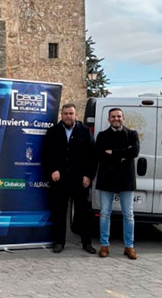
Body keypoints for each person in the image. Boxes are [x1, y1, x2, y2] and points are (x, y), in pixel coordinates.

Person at [41, 103, 97, 254]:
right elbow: (47, 154)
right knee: (59, 212)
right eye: (65, 113)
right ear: (61, 114)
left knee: (83, 213)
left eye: (71, 113)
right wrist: (52, 170)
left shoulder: (84, 131)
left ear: (75, 115)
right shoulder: (53, 131)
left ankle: (87, 243)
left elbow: (92, 155)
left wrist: (88, 175)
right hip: (60, 180)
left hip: (80, 180)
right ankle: (59, 242)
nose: (68, 116)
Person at [94, 107, 140, 260]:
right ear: (109, 119)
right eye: (113, 116)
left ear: (123, 118)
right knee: (105, 213)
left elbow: (134, 152)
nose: (116, 119)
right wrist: (122, 154)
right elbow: (100, 155)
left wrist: (113, 152)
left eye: (119, 116)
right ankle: (104, 245)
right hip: (106, 179)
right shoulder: (102, 135)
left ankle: (129, 247)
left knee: (129, 215)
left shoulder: (132, 134)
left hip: (126, 179)